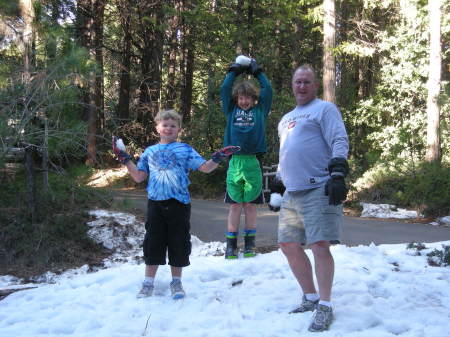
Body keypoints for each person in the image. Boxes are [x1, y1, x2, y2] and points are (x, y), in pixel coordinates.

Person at [112, 109, 239, 300]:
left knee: (178, 242)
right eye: (165, 125)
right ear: (157, 128)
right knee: (153, 242)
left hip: (179, 204)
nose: (169, 128)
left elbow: (204, 168)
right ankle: (148, 283)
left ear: (179, 128)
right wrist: (125, 159)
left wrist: (217, 158)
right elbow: (139, 176)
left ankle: (177, 282)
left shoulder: (186, 149)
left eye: (173, 125)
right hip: (155, 203)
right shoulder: (149, 151)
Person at [276, 64, 349, 332]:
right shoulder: (285, 119)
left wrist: (338, 173)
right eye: (298, 82)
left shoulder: (325, 110)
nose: (302, 86)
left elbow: (339, 140)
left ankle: (325, 305)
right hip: (291, 192)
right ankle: (310, 296)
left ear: (315, 85)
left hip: (319, 186)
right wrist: (277, 184)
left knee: (319, 245)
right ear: (292, 85)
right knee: (287, 244)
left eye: (307, 81)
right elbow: (285, 152)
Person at [220, 55, 273, 259]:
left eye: (248, 98)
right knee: (235, 205)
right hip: (235, 161)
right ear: (237, 99)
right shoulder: (231, 110)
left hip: (253, 161)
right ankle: (231, 245)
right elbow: (225, 90)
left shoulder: (260, 110)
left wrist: (256, 72)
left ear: (253, 99)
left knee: (250, 205)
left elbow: (268, 90)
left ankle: (250, 245)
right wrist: (234, 71)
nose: (244, 101)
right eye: (241, 98)